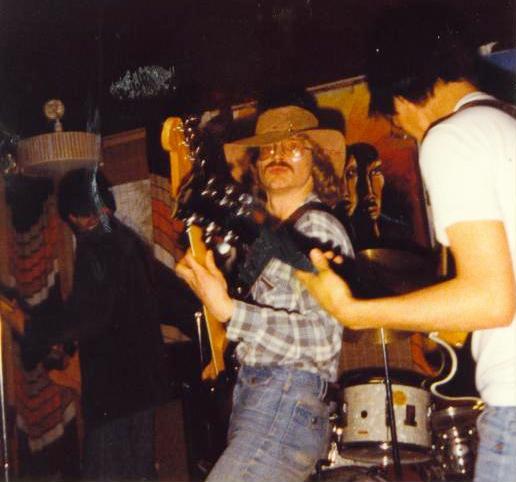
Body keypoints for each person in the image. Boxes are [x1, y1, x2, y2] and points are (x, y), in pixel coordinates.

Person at [297, 4, 516, 482]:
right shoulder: (505, 124)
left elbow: (492, 299)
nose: (406, 133)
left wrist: (357, 312)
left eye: (396, 123)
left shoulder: (452, 138)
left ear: (399, 96)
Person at [176, 102, 354, 482]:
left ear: (316, 161)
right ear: (255, 165)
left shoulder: (317, 229)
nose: (277, 154)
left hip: (285, 398)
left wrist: (231, 312)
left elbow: (323, 340)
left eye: (293, 147)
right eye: (268, 148)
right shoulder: (268, 240)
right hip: (264, 399)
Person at [5, 168, 165, 481]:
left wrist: (29, 326)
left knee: (106, 473)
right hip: (143, 385)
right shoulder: (127, 239)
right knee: (138, 472)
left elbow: (87, 316)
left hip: (115, 392)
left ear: (75, 216)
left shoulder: (97, 246)